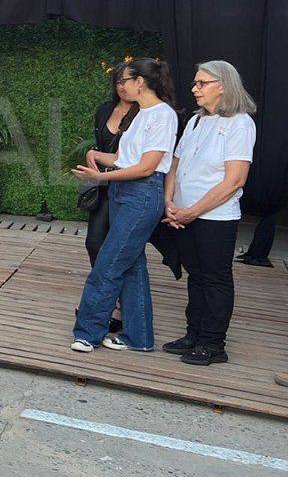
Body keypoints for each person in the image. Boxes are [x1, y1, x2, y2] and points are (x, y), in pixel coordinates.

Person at [71, 59, 178, 353]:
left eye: (126, 80)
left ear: (140, 82)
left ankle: (88, 333)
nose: (121, 85)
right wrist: (97, 156)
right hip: (124, 193)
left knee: (108, 263)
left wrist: (100, 178)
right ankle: (139, 337)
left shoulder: (163, 115)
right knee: (132, 266)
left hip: (141, 195)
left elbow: (146, 168)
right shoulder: (140, 114)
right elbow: (123, 159)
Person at [162, 61, 257, 366]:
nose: (194, 89)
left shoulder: (240, 124)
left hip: (216, 218)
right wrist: (169, 203)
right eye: (195, 83)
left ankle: (213, 344)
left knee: (215, 278)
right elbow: (175, 166)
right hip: (184, 214)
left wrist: (192, 212)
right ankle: (194, 334)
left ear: (224, 86)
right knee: (196, 276)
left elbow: (235, 180)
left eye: (202, 83)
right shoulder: (194, 122)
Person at [84, 66, 140, 265]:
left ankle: (117, 291)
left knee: (125, 247)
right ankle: (103, 288)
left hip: (131, 184)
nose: (122, 87)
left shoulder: (145, 113)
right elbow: (101, 144)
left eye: (126, 82)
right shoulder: (105, 110)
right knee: (94, 242)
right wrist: (93, 154)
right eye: (118, 82)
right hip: (104, 185)